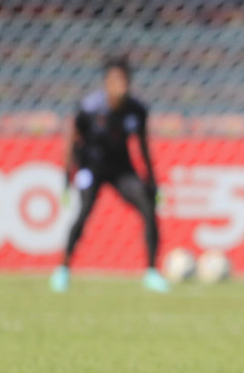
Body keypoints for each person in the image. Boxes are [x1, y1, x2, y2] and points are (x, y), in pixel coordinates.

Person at [51, 57, 167, 294]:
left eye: (124, 80)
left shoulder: (137, 109)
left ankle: (152, 272)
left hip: (120, 167)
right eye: (115, 80)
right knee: (83, 212)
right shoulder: (89, 107)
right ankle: (63, 269)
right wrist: (67, 177)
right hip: (91, 167)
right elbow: (73, 142)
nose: (120, 85)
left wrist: (151, 179)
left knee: (147, 205)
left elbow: (143, 145)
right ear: (107, 82)